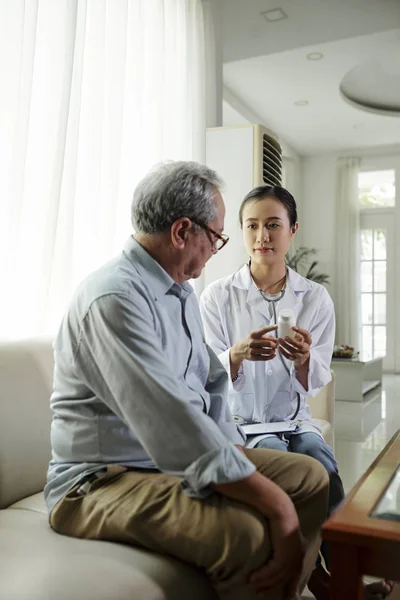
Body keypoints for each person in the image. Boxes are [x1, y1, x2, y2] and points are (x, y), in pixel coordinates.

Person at [45, 162, 330, 600]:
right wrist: (273, 505)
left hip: (161, 464)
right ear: (181, 232)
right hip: (101, 481)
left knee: (311, 477)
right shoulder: (115, 299)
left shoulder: (179, 292)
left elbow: (211, 386)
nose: (219, 248)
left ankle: (287, 589)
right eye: (217, 236)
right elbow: (171, 419)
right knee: (246, 530)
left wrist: (235, 452)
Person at [200, 185, 393, 600]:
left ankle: (346, 567)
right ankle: (322, 580)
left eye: (273, 225)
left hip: (295, 416)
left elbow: (321, 374)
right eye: (252, 226)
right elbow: (202, 369)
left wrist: (304, 358)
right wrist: (235, 354)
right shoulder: (217, 296)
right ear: (242, 231)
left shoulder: (316, 298)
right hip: (243, 422)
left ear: (292, 231)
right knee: (285, 460)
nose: (262, 236)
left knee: (322, 461)